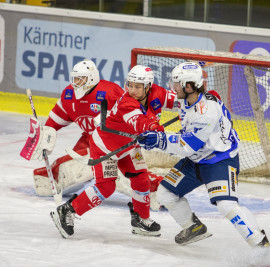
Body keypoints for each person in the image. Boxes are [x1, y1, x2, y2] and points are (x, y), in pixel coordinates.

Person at [138, 61, 270, 248]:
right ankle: (193, 227)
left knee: (226, 205)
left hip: (220, 160)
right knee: (166, 193)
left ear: (189, 86)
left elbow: (187, 145)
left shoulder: (206, 113)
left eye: (176, 84)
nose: (173, 88)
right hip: (196, 160)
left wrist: (159, 140)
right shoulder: (188, 97)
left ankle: (259, 243)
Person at [49, 65, 177, 238]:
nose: (132, 90)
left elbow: (180, 99)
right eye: (129, 85)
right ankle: (67, 211)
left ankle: (140, 218)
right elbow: (139, 122)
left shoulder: (158, 93)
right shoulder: (127, 103)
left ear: (148, 86)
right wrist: (154, 127)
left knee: (141, 180)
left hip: (129, 146)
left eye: (137, 87)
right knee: (106, 187)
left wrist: (197, 104)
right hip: (105, 148)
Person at [32, 59, 125, 197]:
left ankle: (151, 188)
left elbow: (129, 118)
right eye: (74, 78)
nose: (75, 83)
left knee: (127, 176)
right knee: (62, 169)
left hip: (113, 142)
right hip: (89, 140)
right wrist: (45, 135)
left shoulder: (110, 92)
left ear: (92, 78)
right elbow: (56, 119)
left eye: (80, 79)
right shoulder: (69, 94)